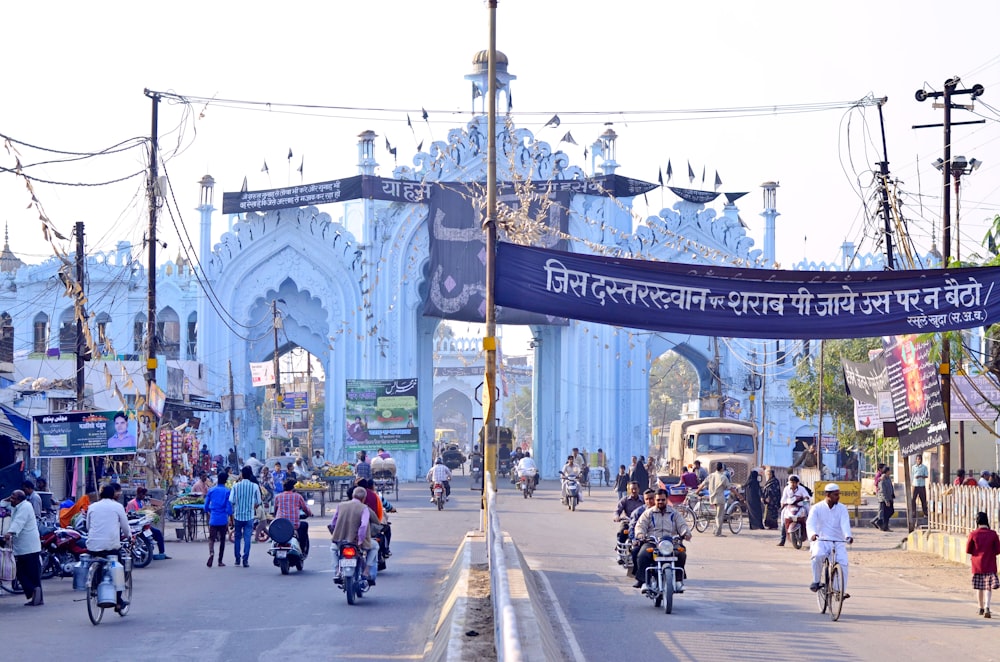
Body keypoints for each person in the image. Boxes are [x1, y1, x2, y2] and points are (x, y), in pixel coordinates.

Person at [633, 489, 692, 591]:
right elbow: (640, 525)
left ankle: (678, 581)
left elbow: (682, 525)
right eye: (658, 500)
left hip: (671, 543)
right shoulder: (648, 513)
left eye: (663, 500)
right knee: (642, 555)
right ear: (655, 500)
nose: (660, 502)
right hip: (653, 542)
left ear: (667, 499)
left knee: (681, 553)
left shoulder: (674, 513)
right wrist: (640, 534)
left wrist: (686, 533)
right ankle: (644, 581)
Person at [85, 484, 131, 611]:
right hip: (111, 546)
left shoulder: (92, 506)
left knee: (97, 562)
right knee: (118, 570)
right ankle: (118, 602)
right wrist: (129, 537)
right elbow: (126, 528)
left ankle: (95, 586)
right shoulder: (118, 506)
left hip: (93, 545)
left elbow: (88, 527)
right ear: (113, 495)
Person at [806, 483, 853, 597]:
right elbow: (810, 523)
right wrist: (812, 534)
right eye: (835, 495)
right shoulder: (817, 508)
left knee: (843, 564)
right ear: (827, 494)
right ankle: (816, 581)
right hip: (821, 540)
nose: (838, 497)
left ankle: (838, 591)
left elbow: (845, 524)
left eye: (838, 494)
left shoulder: (842, 508)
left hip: (838, 541)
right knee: (817, 556)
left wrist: (848, 536)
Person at [329, 486, 379, 586]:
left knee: (333, 549)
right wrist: (360, 540)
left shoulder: (341, 505)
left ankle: (337, 570)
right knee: (375, 546)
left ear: (352, 495)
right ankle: (366, 570)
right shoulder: (364, 508)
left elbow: (333, 523)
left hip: (341, 540)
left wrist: (336, 535)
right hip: (357, 542)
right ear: (363, 498)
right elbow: (364, 525)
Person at [3, 489, 43, 606]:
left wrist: (10, 533)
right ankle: (34, 593)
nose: (11, 500)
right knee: (20, 572)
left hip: (29, 546)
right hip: (21, 547)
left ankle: (36, 596)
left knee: (29, 573)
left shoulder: (25, 507)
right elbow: (3, 505)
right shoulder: (17, 506)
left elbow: (18, 522)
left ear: (20, 499)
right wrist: (7, 499)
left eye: (13, 498)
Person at [966, 511, 1000, 618]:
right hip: (990, 563)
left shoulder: (973, 534)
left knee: (979, 587)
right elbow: (998, 550)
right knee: (988, 587)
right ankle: (987, 607)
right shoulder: (993, 534)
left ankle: (980, 608)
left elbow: (968, 550)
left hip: (977, 564)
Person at [230, 466, 262, 568]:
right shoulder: (254, 486)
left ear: (242, 475)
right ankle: (245, 560)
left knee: (237, 538)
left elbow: (231, 500)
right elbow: (259, 501)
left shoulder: (236, 486)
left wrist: (237, 504)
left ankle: (237, 559)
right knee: (247, 538)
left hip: (238, 515)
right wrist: (253, 506)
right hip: (249, 516)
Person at [126, 487, 169, 559]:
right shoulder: (131, 503)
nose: (144, 496)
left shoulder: (142, 502)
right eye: (143, 495)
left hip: (145, 525)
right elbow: (130, 515)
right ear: (139, 494)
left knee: (158, 533)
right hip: (137, 527)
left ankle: (162, 553)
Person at [274, 478, 314, 557]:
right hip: (294, 525)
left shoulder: (278, 497)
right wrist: (310, 514)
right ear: (293, 487)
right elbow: (305, 509)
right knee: (304, 526)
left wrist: (275, 516)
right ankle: (302, 549)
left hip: (280, 524)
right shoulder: (298, 496)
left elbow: (275, 510)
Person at [204, 472, 233, 567]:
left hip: (213, 518)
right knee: (222, 540)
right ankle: (220, 561)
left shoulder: (211, 490)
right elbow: (229, 509)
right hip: (223, 519)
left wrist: (210, 511)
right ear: (225, 481)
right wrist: (230, 516)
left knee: (211, 538)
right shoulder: (227, 491)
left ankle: (211, 553)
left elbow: (206, 506)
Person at [627, 489, 657, 575]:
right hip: (645, 540)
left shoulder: (664, 510)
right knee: (636, 551)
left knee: (679, 552)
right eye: (647, 499)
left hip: (661, 540)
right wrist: (634, 539)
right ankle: (639, 575)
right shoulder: (639, 512)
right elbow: (633, 527)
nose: (649, 501)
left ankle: (678, 578)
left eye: (651, 498)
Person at [698, 462, 731, 536]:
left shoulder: (711, 476)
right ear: (722, 468)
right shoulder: (723, 477)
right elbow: (730, 487)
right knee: (719, 516)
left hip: (712, 498)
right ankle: (718, 533)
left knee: (716, 515)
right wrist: (738, 495)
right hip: (720, 499)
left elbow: (703, 484)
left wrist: (697, 491)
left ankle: (716, 529)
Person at [778, 475, 811, 546]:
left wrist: (805, 500)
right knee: (783, 516)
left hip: (800, 505)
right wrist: (783, 504)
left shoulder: (801, 489)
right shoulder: (786, 489)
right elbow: (783, 498)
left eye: (794, 483)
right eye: (791, 482)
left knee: (808, 511)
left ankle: (809, 533)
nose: (792, 484)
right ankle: (782, 540)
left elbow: (806, 497)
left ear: (797, 483)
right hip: (790, 506)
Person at [876, 465, 895, 531]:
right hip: (884, 499)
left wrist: (892, 494)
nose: (890, 472)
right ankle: (884, 526)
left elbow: (891, 487)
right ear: (886, 472)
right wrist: (886, 500)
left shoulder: (888, 478)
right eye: (889, 471)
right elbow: (883, 491)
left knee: (891, 511)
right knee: (885, 514)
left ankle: (881, 523)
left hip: (890, 498)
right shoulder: (882, 479)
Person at [911, 454, 929, 519]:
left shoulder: (924, 467)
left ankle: (925, 513)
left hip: (921, 485)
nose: (918, 460)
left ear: (921, 460)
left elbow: (926, 476)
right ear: (916, 460)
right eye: (917, 459)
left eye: (920, 459)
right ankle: (913, 513)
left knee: (923, 500)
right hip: (915, 485)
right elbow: (912, 475)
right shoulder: (913, 467)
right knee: (913, 499)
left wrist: (920, 476)